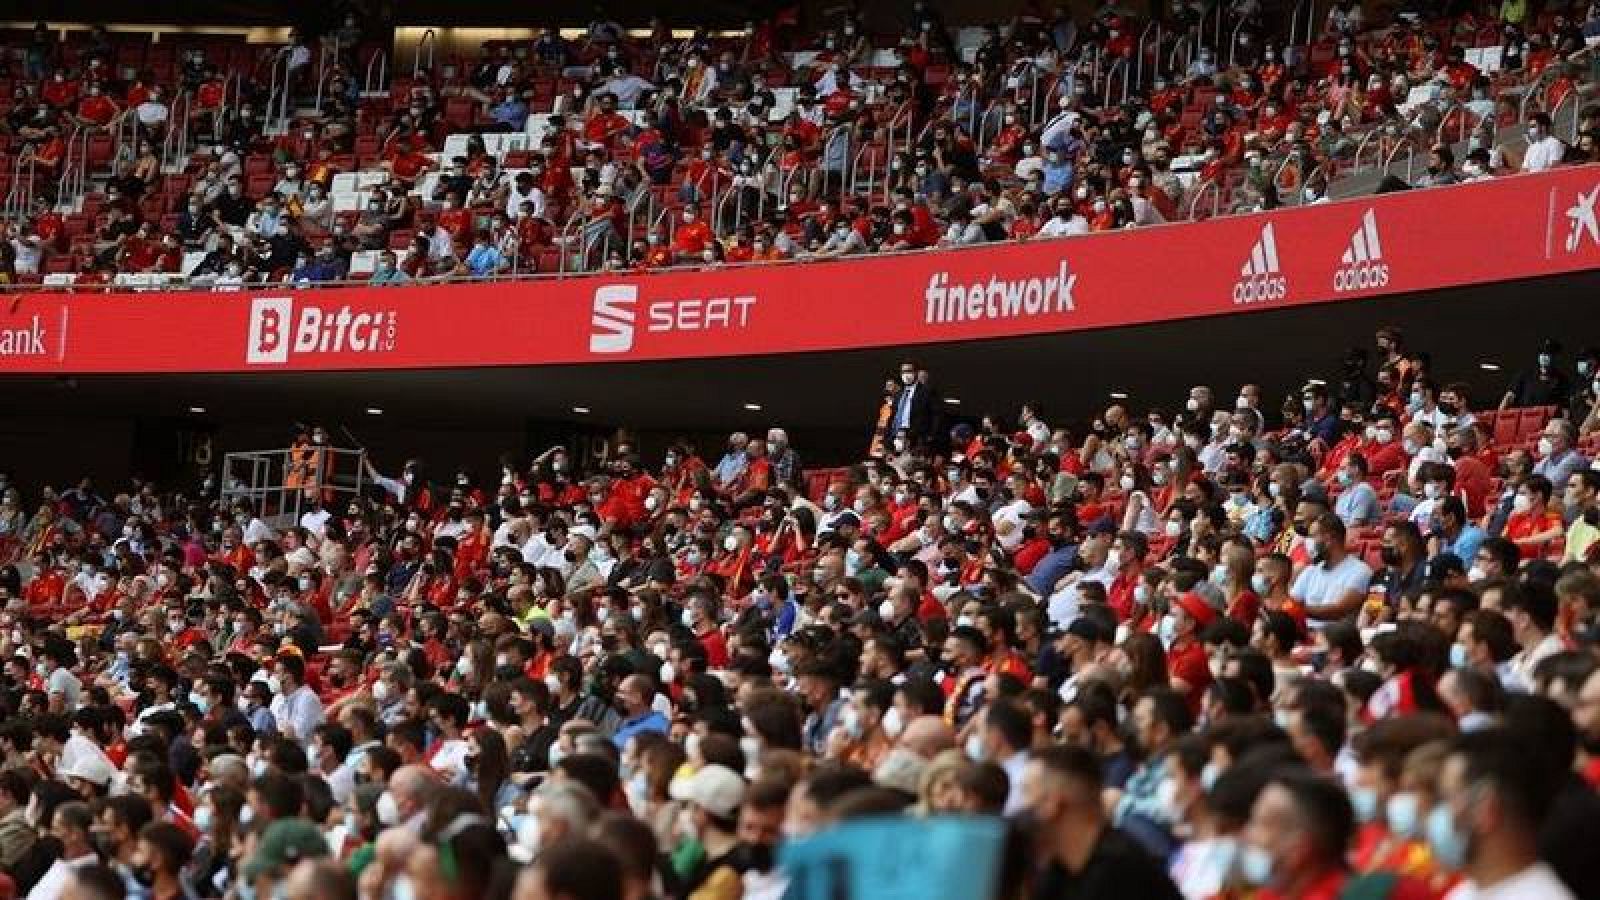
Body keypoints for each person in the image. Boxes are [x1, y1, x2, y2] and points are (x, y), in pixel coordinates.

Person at [1021, 745, 1183, 899]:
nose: (1021, 805)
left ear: (1052, 804)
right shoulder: (1060, 870)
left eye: (1026, 791)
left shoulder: (1121, 873)